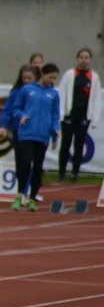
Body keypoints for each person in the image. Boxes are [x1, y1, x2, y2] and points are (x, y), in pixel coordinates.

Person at [8, 63, 61, 212]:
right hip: (26, 133)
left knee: (37, 167)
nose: (52, 81)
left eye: (54, 78)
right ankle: (19, 195)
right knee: (25, 163)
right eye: (50, 77)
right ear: (43, 74)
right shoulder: (27, 90)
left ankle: (32, 198)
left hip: (43, 135)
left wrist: (55, 132)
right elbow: (16, 108)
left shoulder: (54, 94)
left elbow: (55, 115)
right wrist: (21, 116)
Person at [0, 64, 40, 199]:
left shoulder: (41, 92)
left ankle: (29, 192)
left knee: (31, 162)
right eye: (24, 78)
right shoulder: (16, 92)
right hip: (19, 132)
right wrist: (3, 126)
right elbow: (7, 110)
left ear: (35, 78)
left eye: (29, 78)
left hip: (35, 132)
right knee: (21, 163)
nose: (26, 81)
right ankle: (22, 190)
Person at [57, 48, 100, 182]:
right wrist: (61, 114)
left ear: (90, 60)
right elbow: (62, 94)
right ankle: (62, 172)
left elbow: (96, 99)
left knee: (79, 145)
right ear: (77, 59)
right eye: (81, 57)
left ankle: (75, 172)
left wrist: (94, 118)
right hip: (69, 116)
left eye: (86, 57)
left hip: (84, 116)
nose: (83, 60)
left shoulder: (94, 77)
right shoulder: (69, 74)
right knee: (65, 144)